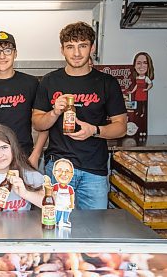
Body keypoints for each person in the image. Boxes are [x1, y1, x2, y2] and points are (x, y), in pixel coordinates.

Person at [32, 21, 127, 210]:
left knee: (94, 231)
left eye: (82, 46)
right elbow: (38, 123)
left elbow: (121, 126)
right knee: (56, 226)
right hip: (58, 167)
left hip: (94, 171)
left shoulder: (107, 83)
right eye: (70, 47)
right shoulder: (49, 81)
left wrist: (95, 130)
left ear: (92, 47)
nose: (76, 53)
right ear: (62, 50)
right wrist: (55, 112)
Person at [0, 31, 48, 169]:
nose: (2, 56)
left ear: (15, 53)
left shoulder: (31, 83)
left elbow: (43, 123)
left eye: (7, 50)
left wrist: (36, 154)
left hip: (22, 155)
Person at [129, 52, 154, 118]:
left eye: (145, 63)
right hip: (138, 92)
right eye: (138, 63)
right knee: (138, 103)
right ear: (134, 66)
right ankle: (138, 112)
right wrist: (132, 91)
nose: (141, 66)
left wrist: (147, 89)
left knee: (143, 104)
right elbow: (136, 86)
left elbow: (150, 84)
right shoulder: (137, 77)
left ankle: (143, 113)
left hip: (143, 92)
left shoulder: (146, 78)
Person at [51, 159, 75, 228]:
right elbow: (52, 195)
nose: (63, 174)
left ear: (72, 174)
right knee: (58, 213)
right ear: (54, 172)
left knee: (66, 213)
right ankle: (57, 221)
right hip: (58, 204)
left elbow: (72, 196)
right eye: (59, 170)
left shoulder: (70, 188)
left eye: (67, 171)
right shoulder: (56, 186)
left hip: (66, 204)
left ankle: (65, 221)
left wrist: (72, 205)